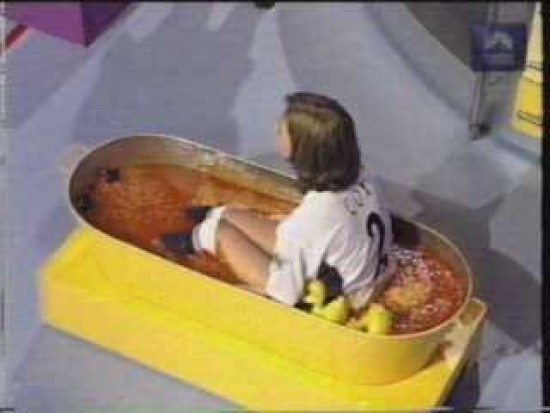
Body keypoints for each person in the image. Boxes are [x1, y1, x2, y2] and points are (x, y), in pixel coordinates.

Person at [154, 92, 396, 311]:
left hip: (336, 298)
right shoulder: (360, 175)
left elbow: (283, 300)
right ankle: (188, 237)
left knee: (216, 230)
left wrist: (222, 295)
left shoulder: (306, 223)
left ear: (301, 148)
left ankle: (161, 253)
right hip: (364, 274)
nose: (276, 129)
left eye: (282, 129)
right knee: (225, 213)